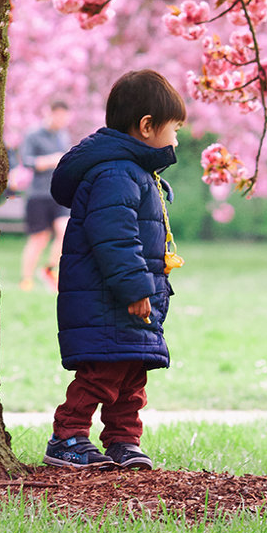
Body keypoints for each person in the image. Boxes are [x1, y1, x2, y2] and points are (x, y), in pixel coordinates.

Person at [42, 69, 186, 472]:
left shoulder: (135, 171)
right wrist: (136, 289)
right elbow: (115, 239)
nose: (176, 140)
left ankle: (123, 440)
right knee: (102, 373)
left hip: (128, 300)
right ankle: (66, 436)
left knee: (131, 374)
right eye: (174, 129)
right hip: (110, 299)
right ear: (146, 127)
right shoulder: (116, 174)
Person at [18, 100, 73, 291]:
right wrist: (50, 160)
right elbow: (26, 161)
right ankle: (26, 279)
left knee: (65, 230)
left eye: (64, 117)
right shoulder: (33, 134)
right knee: (39, 238)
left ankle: (50, 269)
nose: (61, 120)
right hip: (38, 194)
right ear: (49, 113)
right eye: (58, 115)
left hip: (59, 193)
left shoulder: (63, 136)